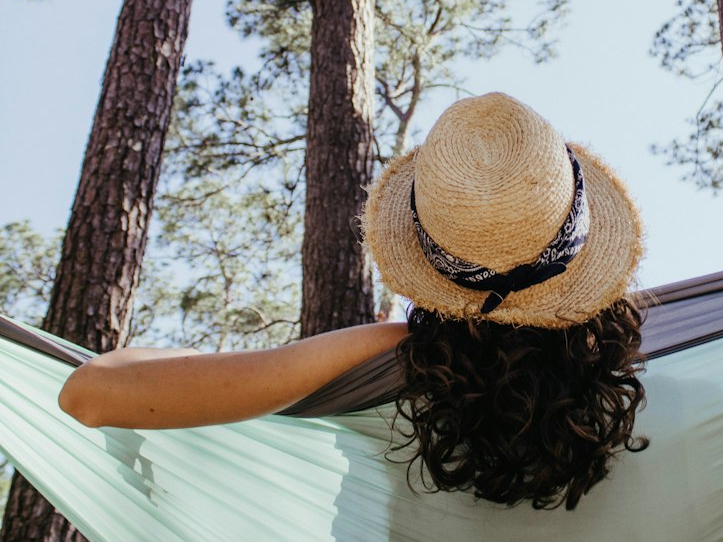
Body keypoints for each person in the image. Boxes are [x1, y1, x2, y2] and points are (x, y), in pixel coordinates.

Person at [60, 93, 649, 511]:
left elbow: (89, 394)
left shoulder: (394, 359)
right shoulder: (668, 370)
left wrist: (197, 360)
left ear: (430, 255)